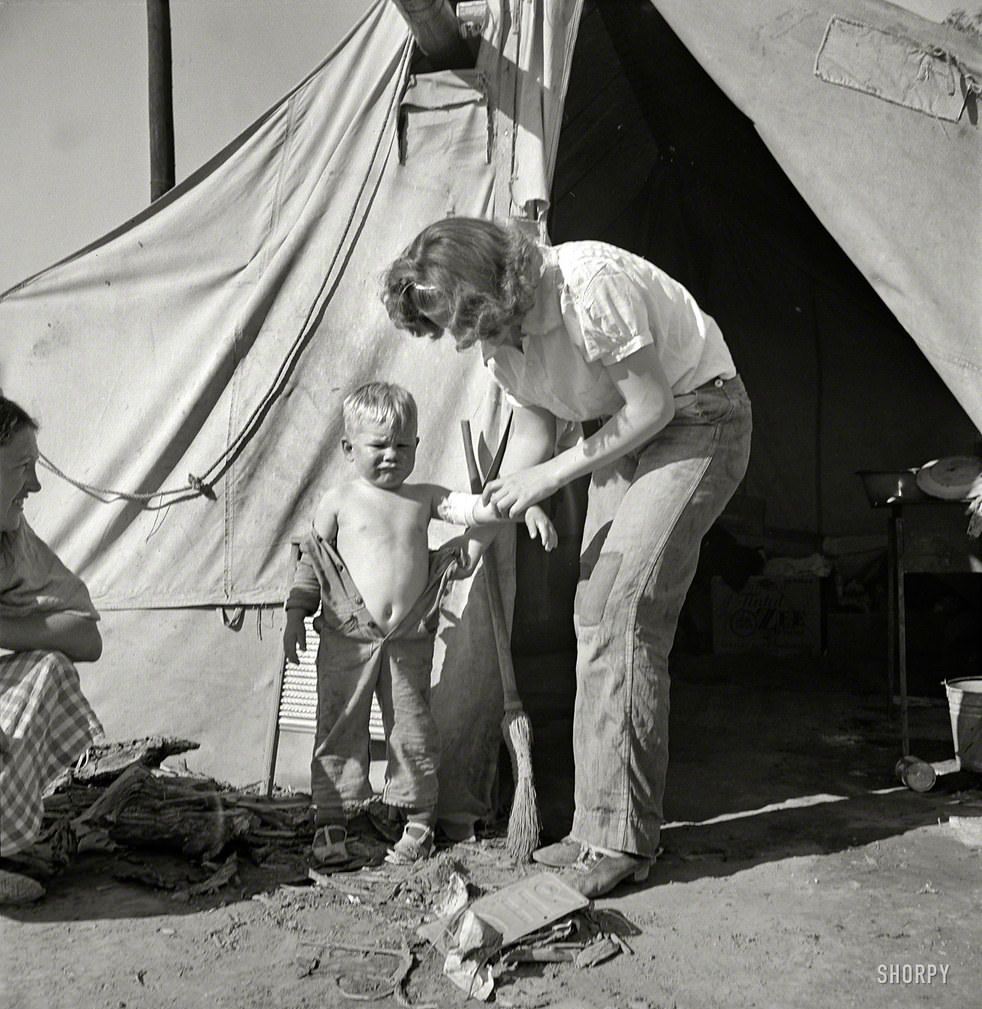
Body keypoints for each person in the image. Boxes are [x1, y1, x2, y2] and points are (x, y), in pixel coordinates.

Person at [382, 217, 752, 897]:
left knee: (623, 610)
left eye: (463, 317)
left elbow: (651, 406)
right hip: (626, 438)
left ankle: (620, 841)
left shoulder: (590, 289)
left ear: (490, 283)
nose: (461, 338)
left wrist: (548, 481)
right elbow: (533, 429)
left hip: (698, 421)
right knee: (593, 613)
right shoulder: (498, 344)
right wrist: (482, 532)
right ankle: (595, 828)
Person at [282, 381, 556, 867]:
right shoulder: (338, 500)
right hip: (348, 636)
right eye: (379, 446)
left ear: (417, 446)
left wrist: (524, 504)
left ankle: (418, 820)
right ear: (348, 449)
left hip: (408, 639)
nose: (392, 455)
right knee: (339, 726)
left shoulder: (424, 497)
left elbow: (473, 509)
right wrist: (294, 616)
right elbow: (312, 563)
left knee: (412, 729)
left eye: (403, 445)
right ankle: (331, 820)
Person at [0, 396, 104, 903]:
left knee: (46, 669)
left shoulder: (10, 538)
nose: (35, 486)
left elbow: (85, 634)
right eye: (23, 468)